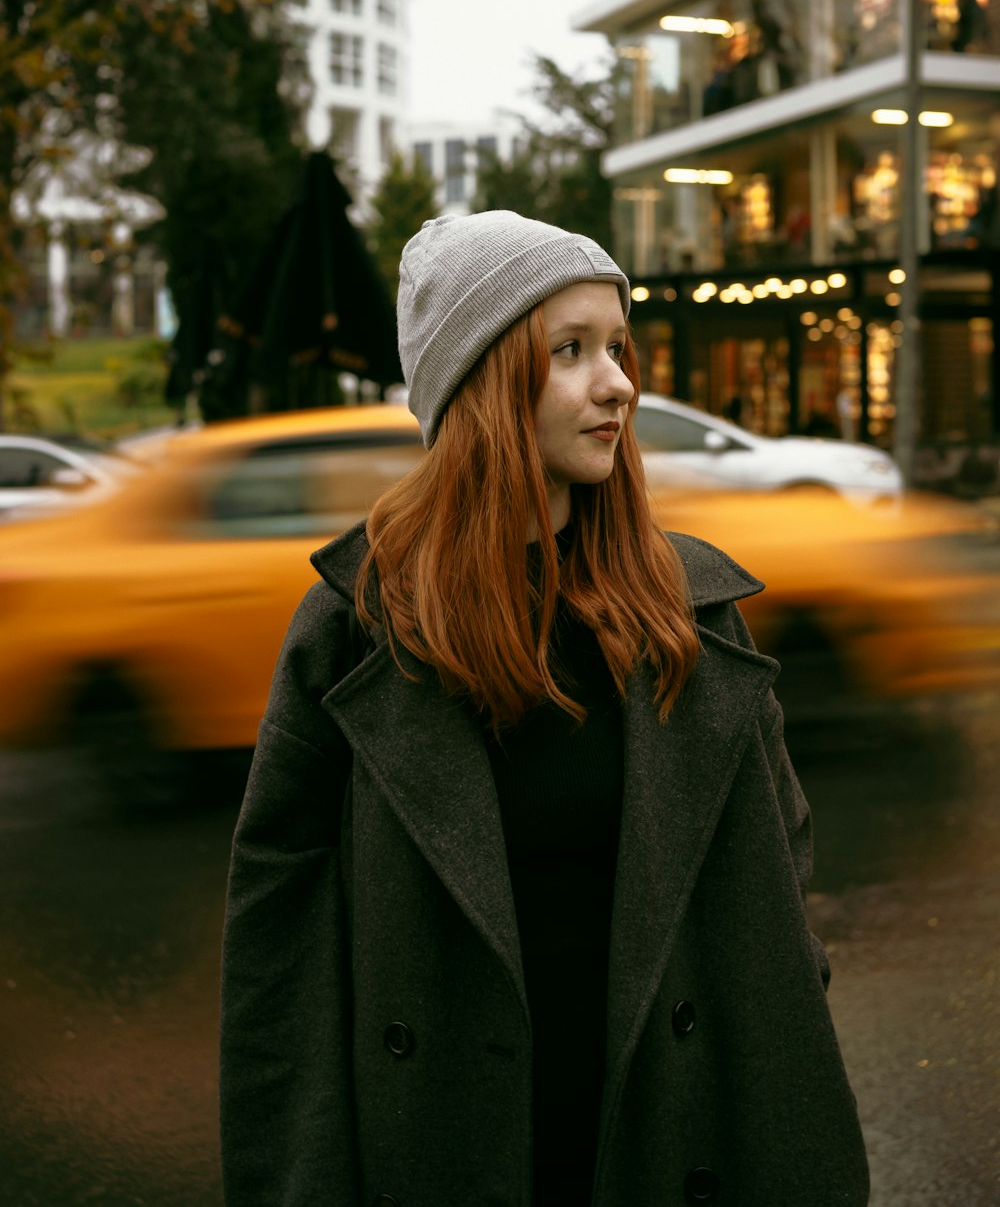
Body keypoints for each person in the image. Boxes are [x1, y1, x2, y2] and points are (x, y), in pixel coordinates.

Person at [219, 210, 869, 1207]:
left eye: (614, 347)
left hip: (671, 1134)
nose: (616, 383)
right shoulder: (355, 629)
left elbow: (777, 856)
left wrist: (786, 1003)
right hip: (450, 1146)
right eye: (568, 351)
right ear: (478, 385)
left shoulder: (687, 613)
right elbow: (278, 950)